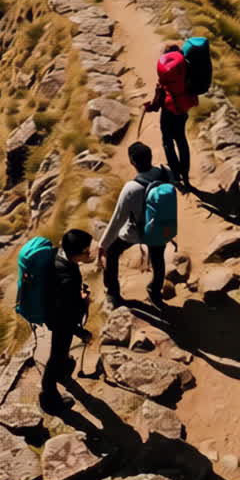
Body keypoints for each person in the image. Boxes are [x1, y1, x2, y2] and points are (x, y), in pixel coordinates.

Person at [98, 141, 174, 309]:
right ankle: (155, 292)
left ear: (132, 161)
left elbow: (117, 219)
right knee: (158, 259)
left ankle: (113, 293)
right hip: (161, 229)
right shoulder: (165, 173)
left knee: (112, 251)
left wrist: (102, 244)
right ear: (151, 157)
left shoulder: (131, 188)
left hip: (136, 232)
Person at [40, 228, 93, 414]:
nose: (89, 253)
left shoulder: (58, 256)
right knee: (56, 355)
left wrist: (78, 296)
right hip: (60, 321)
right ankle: (49, 397)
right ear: (76, 253)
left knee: (60, 353)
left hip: (53, 313)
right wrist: (81, 332)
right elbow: (66, 315)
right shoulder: (68, 278)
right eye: (86, 251)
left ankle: (62, 370)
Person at [154, 43, 198, 190]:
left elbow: (160, 93)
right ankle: (185, 175)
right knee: (181, 139)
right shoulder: (187, 68)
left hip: (169, 109)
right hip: (183, 108)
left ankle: (175, 173)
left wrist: (152, 105)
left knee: (167, 140)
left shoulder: (168, 71)